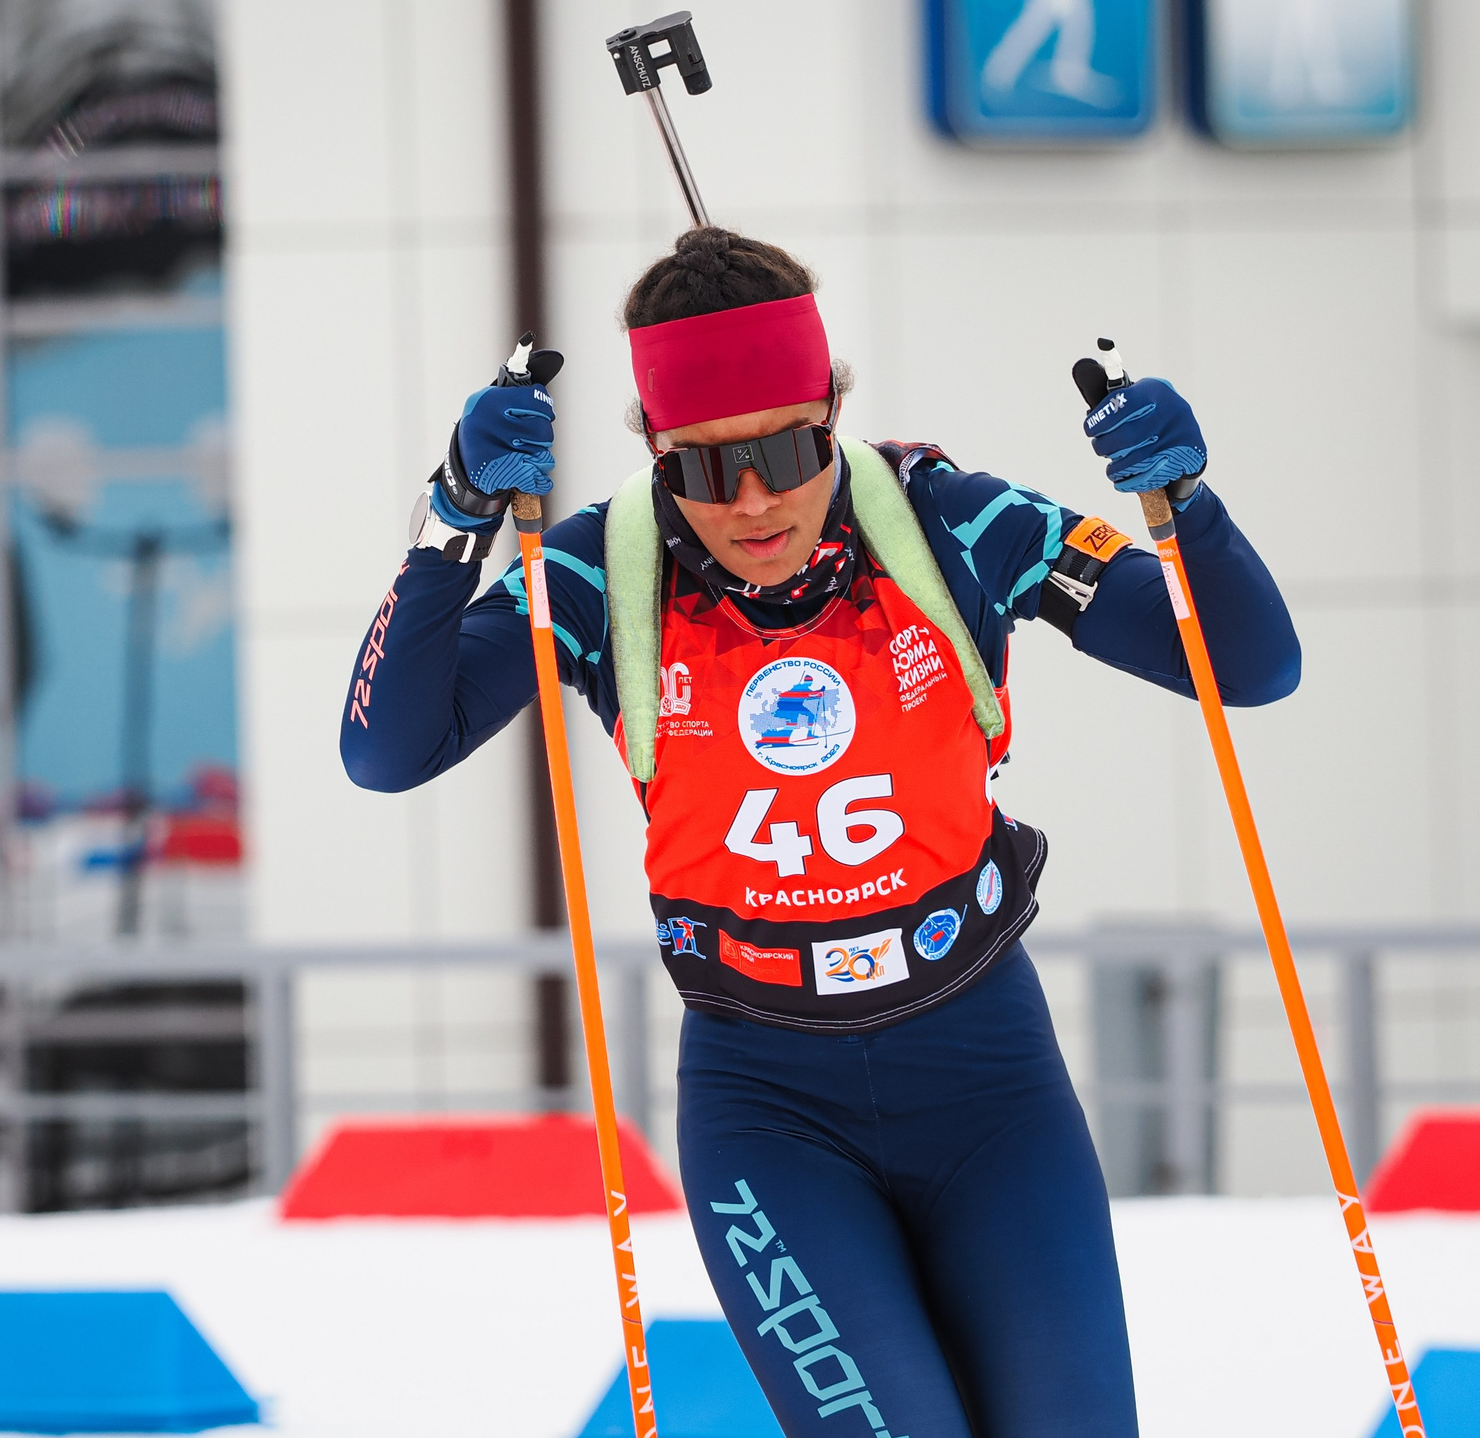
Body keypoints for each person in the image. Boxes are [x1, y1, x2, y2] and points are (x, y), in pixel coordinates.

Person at [339, 226, 1298, 1437]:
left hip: (987, 1080)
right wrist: (456, 515)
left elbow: (1250, 666)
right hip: (768, 1109)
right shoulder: (601, 568)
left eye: (786, 450)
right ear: (652, 450)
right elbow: (388, 749)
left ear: (831, 411)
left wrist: (1185, 507)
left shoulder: (948, 523)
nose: (750, 501)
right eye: (702, 467)